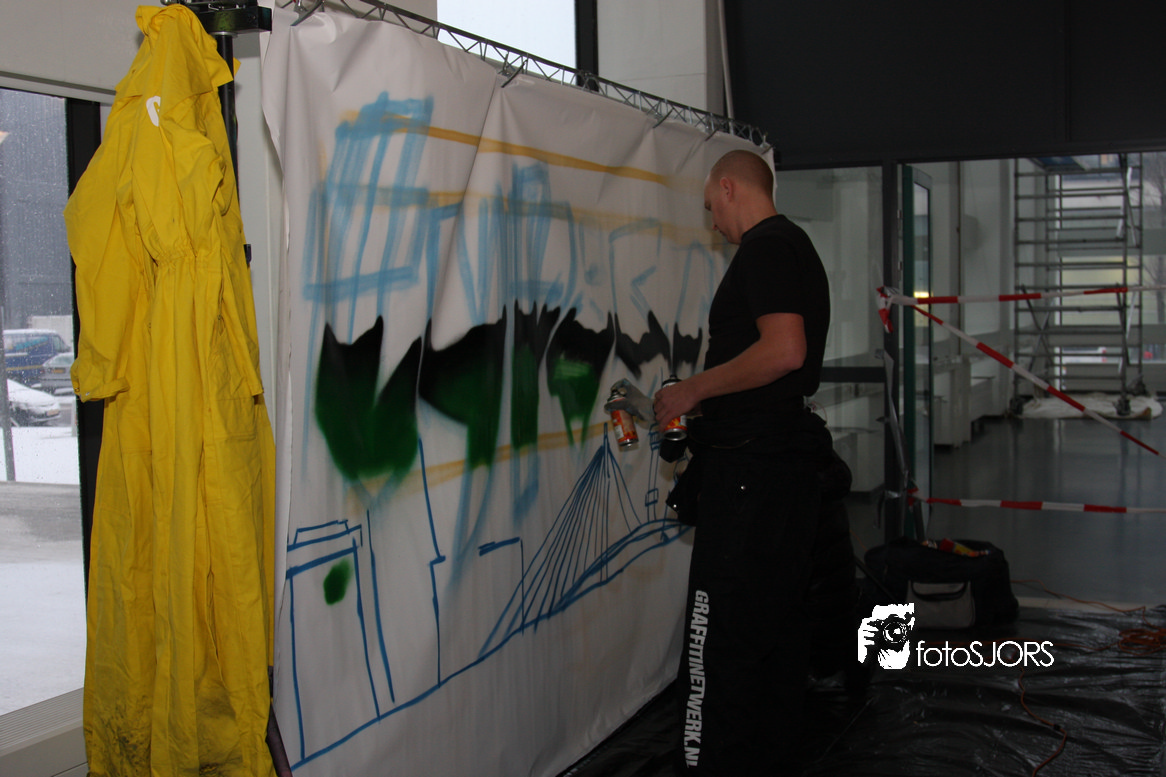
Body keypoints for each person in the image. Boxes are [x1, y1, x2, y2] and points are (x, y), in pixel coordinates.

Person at [655, 149, 835, 775]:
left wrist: (693, 391)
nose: (714, 223)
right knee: (776, 632)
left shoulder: (766, 248)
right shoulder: (795, 248)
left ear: (729, 187)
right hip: (779, 470)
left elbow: (785, 351)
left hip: (751, 480)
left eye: (712, 207)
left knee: (718, 642)